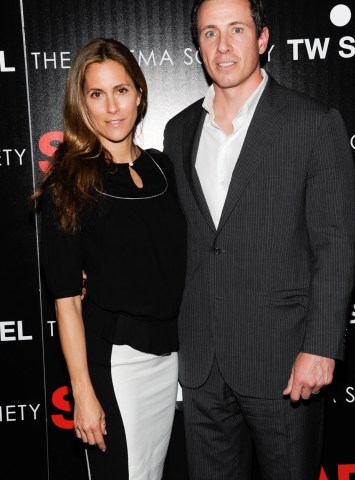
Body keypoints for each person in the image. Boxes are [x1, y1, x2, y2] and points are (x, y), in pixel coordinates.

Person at [163, 0, 355, 479]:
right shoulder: (178, 130)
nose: (223, 46)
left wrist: (322, 346)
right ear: (198, 45)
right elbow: (176, 239)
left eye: (236, 30)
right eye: (209, 33)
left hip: (285, 359)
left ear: (263, 38)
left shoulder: (313, 123)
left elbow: (335, 242)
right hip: (202, 362)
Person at [32, 38, 187, 480]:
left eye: (120, 90)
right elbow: (65, 298)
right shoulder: (68, 183)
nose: (111, 107)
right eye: (96, 94)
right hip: (117, 364)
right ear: (82, 103)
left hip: (174, 358)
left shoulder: (163, 167)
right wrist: (82, 391)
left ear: (139, 92)